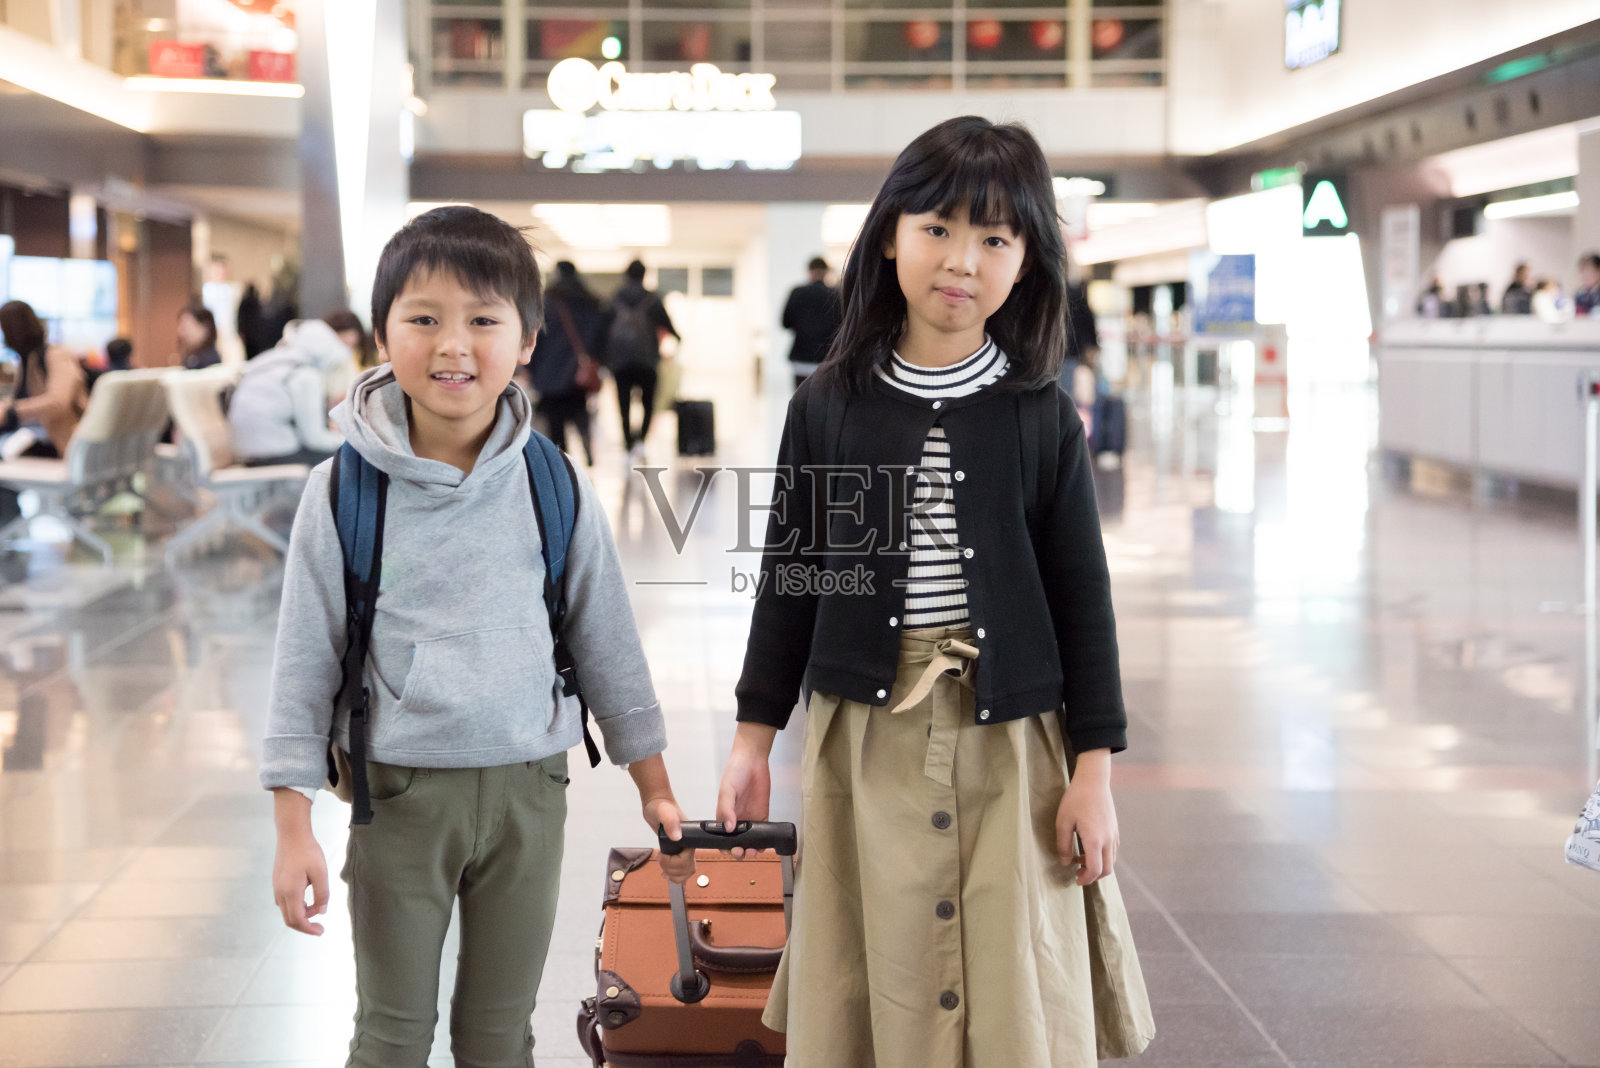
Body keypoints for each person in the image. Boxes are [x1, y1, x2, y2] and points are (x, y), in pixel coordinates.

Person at [716, 116, 1153, 1066]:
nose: (962, 260)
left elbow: (1083, 599)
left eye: (995, 239)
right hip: (866, 733)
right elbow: (792, 581)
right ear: (889, 237)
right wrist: (752, 740)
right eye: (939, 229)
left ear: (1028, 263)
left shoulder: (1040, 414)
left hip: (1015, 735)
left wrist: (1094, 774)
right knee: (882, 960)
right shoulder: (829, 407)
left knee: (1010, 968)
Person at [261, 205, 695, 1067]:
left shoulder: (552, 481)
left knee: (500, 1035)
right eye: (423, 319)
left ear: (528, 339)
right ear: (381, 334)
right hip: (398, 796)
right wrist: (292, 825)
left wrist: (653, 783)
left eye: (484, 321)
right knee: (391, 1034)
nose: (453, 346)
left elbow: (604, 636)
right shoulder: (343, 489)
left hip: (530, 791)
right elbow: (304, 661)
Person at [227, 318, 352, 468]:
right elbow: (314, 439)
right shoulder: (305, 375)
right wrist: (350, 441)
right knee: (347, 459)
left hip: (248, 454)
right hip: (274, 455)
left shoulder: (274, 362)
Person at [600, 259, 678, 454]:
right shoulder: (652, 299)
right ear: (644, 275)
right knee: (648, 403)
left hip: (621, 362)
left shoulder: (616, 298)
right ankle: (641, 440)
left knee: (623, 403)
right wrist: (677, 338)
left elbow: (603, 328)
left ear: (627, 275)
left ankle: (627, 441)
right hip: (647, 360)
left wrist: (603, 357)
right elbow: (667, 324)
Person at [532, 260, 600, 465]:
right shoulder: (590, 301)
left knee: (555, 422)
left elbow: (538, 337)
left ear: (558, 274)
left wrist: (530, 366)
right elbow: (599, 336)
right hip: (578, 372)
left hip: (551, 371)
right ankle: (587, 449)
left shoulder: (548, 301)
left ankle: (561, 461)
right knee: (579, 412)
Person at [781, 256, 842, 389]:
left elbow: (785, 323)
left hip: (801, 357)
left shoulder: (797, 293)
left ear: (809, 271)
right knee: (824, 397)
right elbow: (841, 326)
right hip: (827, 358)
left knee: (800, 396)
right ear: (826, 272)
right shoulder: (835, 295)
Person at [177, 301, 221, 369]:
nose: (181, 332)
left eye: (186, 328)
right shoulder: (192, 358)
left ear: (205, 329)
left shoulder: (209, 362)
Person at [1575, 252, 1600, 317]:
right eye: (1583, 271)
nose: (1585, 275)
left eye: (1589, 271)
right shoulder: (1580, 295)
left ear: (1598, 271)